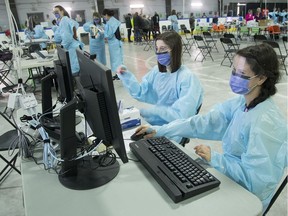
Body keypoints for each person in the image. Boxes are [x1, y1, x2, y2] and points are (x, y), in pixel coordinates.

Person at [136, 43, 287, 212]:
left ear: (261, 78)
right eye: (234, 71)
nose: (235, 77)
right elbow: (204, 122)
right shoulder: (242, 103)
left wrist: (215, 159)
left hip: (247, 199)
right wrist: (161, 130)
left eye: (242, 74)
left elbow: (257, 183)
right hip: (229, 177)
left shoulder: (266, 123)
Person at [116, 31, 203, 141]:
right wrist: (126, 76)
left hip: (174, 130)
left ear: (175, 50)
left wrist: (154, 111)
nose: (158, 53)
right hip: (153, 123)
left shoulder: (187, 78)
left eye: (163, 49)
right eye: (157, 49)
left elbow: (182, 117)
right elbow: (141, 92)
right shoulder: (157, 72)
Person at [53, 5, 84, 76]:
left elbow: (67, 38)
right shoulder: (66, 20)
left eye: (56, 11)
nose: (55, 13)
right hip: (74, 47)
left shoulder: (64, 21)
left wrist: (61, 48)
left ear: (62, 11)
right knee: (76, 69)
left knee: (74, 71)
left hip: (71, 48)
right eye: (54, 12)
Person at [102, 8, 123, 79]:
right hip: (114, 43)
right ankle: (118, 74)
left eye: (104, 16)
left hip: (115, 43)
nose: (104, 18)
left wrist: (104, 33)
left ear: (107, 15)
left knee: (117, 60)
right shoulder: (112, 21)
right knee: (116, 59)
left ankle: (119, 75)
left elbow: (109, 34)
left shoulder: (111, 22)